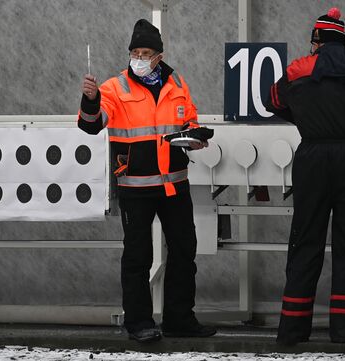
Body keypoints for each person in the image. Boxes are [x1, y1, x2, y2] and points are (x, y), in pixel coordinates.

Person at [77, 19, 216, 343]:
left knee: (184, 250)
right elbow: (90, 125)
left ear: (159, 55)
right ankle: (139, 323)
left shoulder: (178, 83)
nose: (139, 57)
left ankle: (180, 320)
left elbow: (189, 120)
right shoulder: (114, 88)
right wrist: (91, 100)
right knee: (138, 256)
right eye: (135, 52)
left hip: (174, 185)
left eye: (146, 52)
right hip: (136, 187)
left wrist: (196, 136)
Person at [265, 8, 345, 345]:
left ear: (318, 39)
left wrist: (305, 118)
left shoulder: (298, 70)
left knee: (306, 241)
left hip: (312, 159)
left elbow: (271, 100)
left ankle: (292, 329)